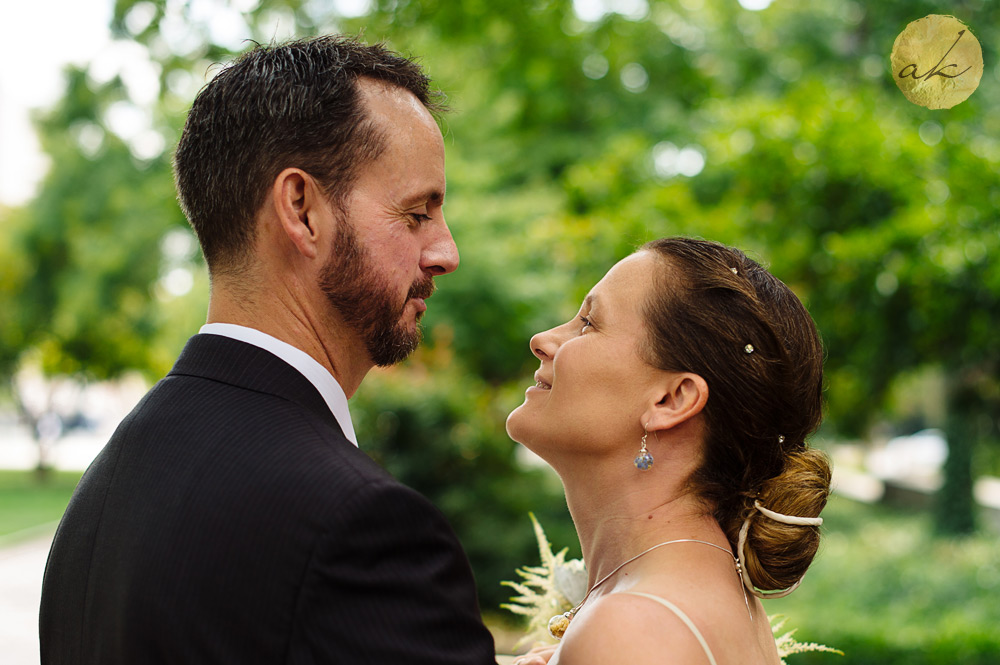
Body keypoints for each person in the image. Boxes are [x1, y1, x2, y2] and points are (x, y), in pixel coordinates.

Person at [39, 36, 497, 664]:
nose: (446, 253)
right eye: (417, 213)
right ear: (302, 210)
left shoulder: (105, 491)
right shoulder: (359, 526)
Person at [506, 237, 831, 665]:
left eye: (588, 323)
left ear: (671, 400)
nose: (543, 339)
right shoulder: (690, 598)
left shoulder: (631, 630)